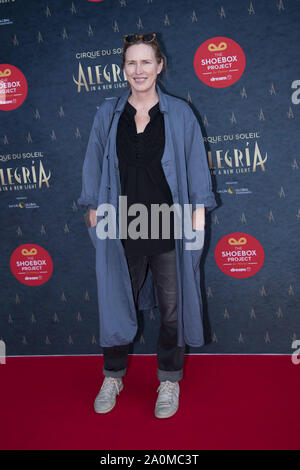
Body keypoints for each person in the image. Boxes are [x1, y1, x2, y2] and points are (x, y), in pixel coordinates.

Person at [77, 32, 217, 419]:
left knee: (172, 308)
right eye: (131, 63)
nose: (138, 70)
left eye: (145, 62)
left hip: (168, 225)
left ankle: (169, 380)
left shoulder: (180, 113)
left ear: (160, 66)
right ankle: (113, 374)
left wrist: (199, 212)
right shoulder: (107, 113)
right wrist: (91, 203)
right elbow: (93, 159)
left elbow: (193, 166)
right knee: (114, 302)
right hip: (120, 225)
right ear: (124, 68)